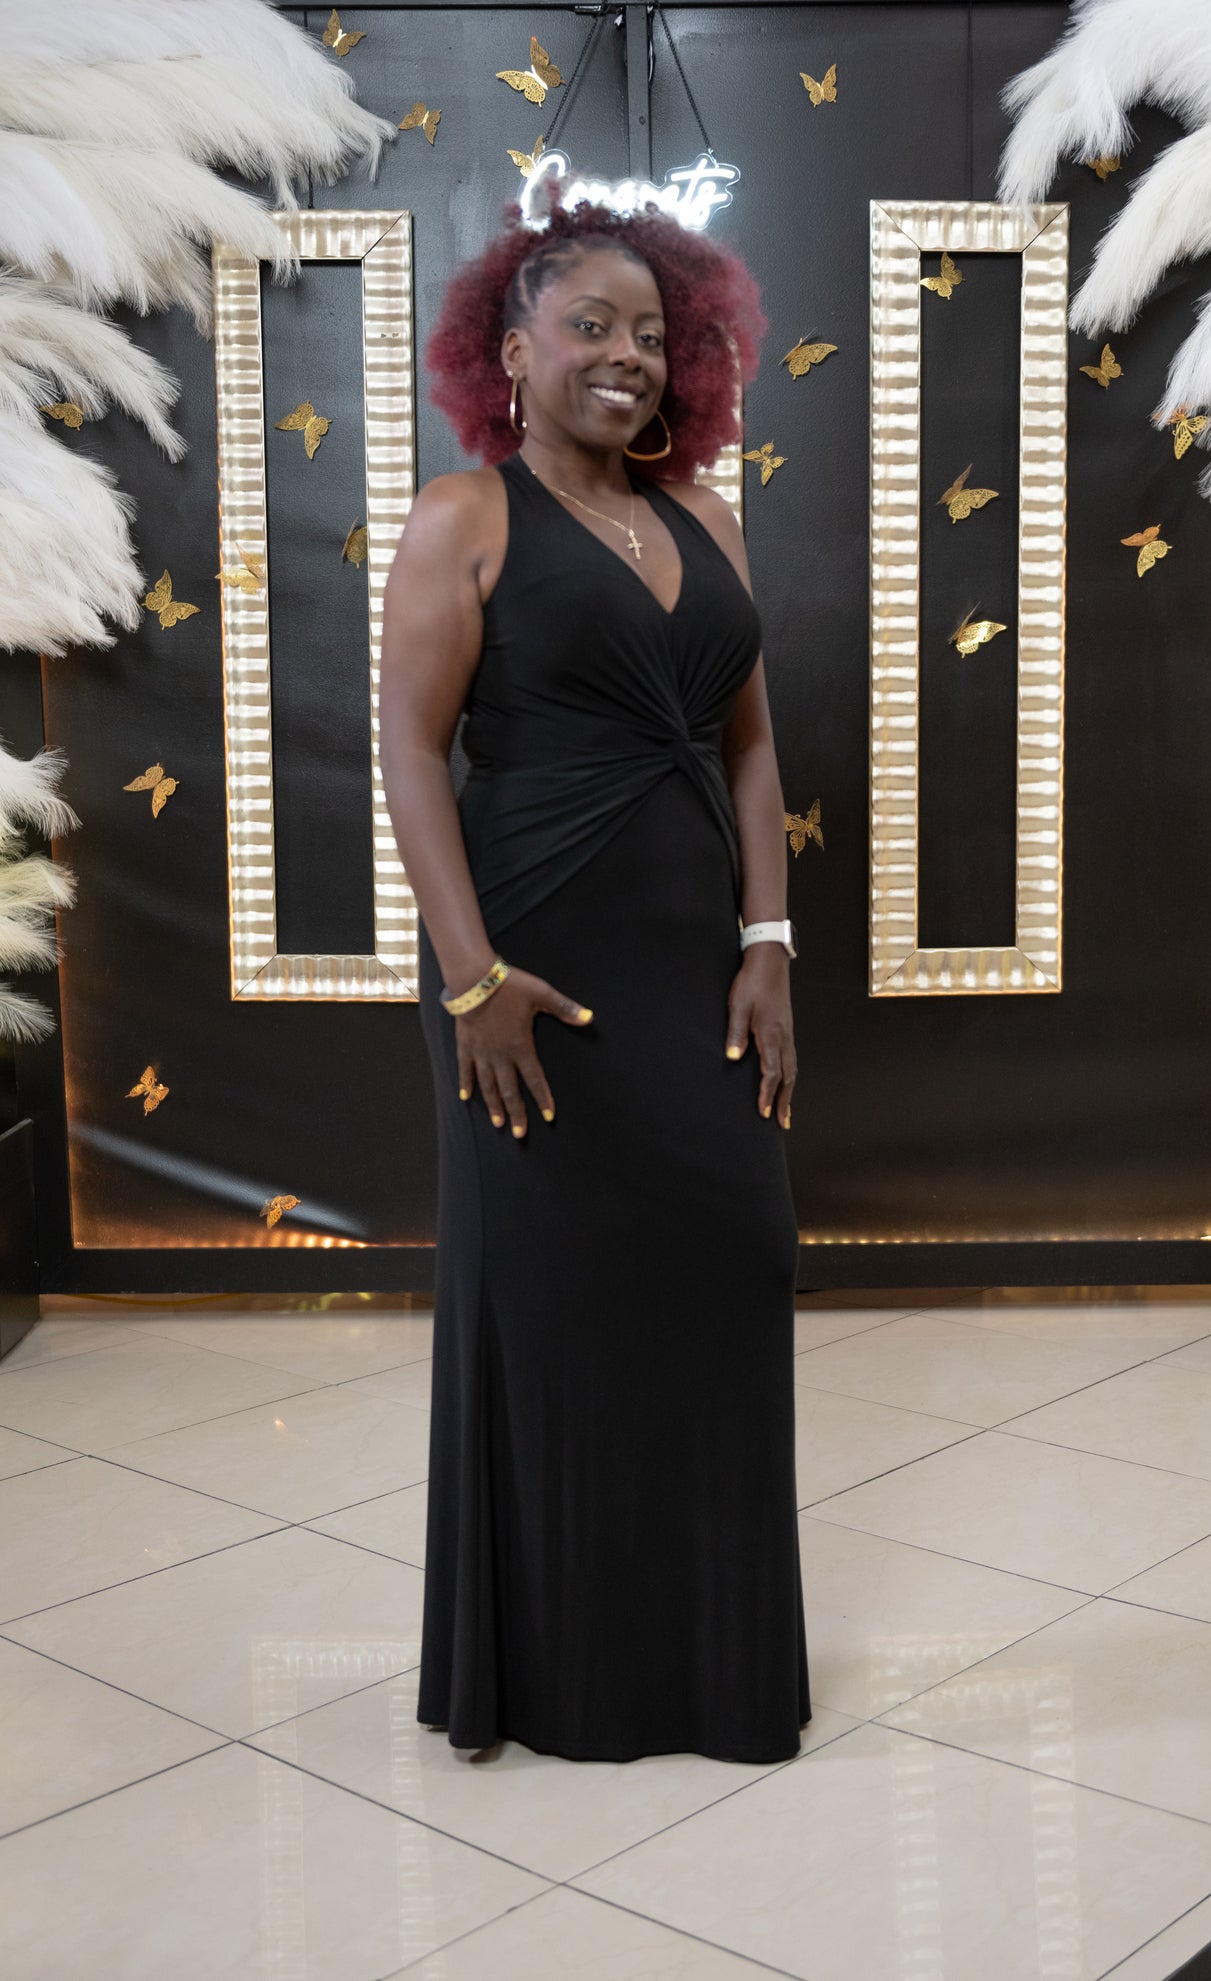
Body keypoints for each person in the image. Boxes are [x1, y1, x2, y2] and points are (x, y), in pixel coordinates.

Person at [380, 185, 810, 1764]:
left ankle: (711, 1664)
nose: (625, 353)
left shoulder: (708, 518)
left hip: (696, 966)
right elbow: (408, 752)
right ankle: (554, 1674)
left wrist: (765, 943)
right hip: (530, 966)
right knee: (551, 1307)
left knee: (727, 1274)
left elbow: (747, 750)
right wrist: (470, 979)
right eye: (589, 325)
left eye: (650, 331)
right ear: (511, 349)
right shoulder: (464, 517)